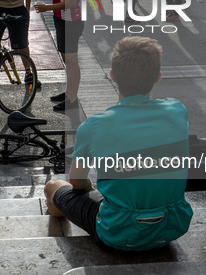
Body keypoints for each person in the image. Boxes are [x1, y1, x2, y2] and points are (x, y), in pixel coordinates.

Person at [44, 36, 193, 251]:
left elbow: (76, 181)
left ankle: (56, 224)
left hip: (118, 233)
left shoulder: (94, 126)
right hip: (171, 227)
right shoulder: (177, 110)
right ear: (158, 77)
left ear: (112, 76)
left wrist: (91, 189)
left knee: (53, 186)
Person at [34, 0, 84, 111]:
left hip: (70, 22)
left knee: (71, 61)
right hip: (61, 19)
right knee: (67, 60)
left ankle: (73, 99)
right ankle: (69, 92)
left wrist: (47, 7)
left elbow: (72, 1)